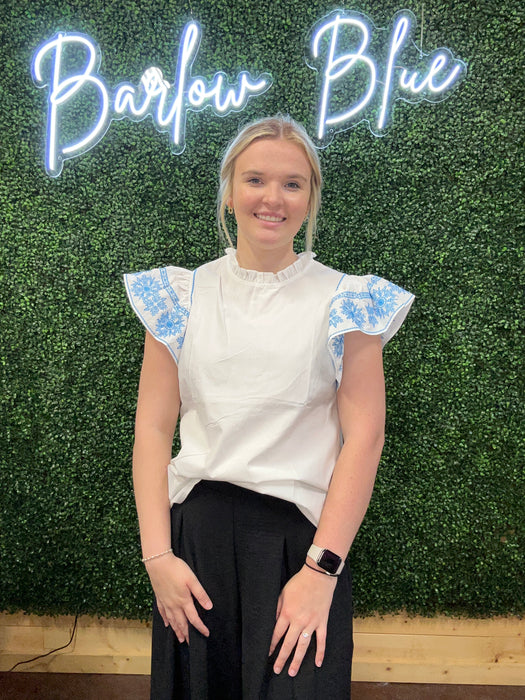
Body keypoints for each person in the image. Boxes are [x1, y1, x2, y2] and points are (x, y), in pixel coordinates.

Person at [124, 115, 414, 699]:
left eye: (293, 183)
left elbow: (366, 438)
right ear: (230, 190)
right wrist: (157, 556)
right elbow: (153, 430)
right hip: (195, 550)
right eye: (255, 179)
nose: (272, 199)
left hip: (299, 551)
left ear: (311, 197)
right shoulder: (180, 297)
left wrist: (320, 571)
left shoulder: (347, 301)